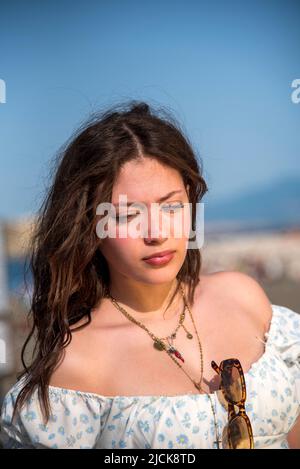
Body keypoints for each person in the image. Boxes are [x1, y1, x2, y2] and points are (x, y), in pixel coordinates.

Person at [0, 101, 299, 449]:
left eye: (171, 206)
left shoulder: (243, 296)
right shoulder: (76, 368)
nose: (157, 232)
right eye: (128, 215)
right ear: (90, 226)